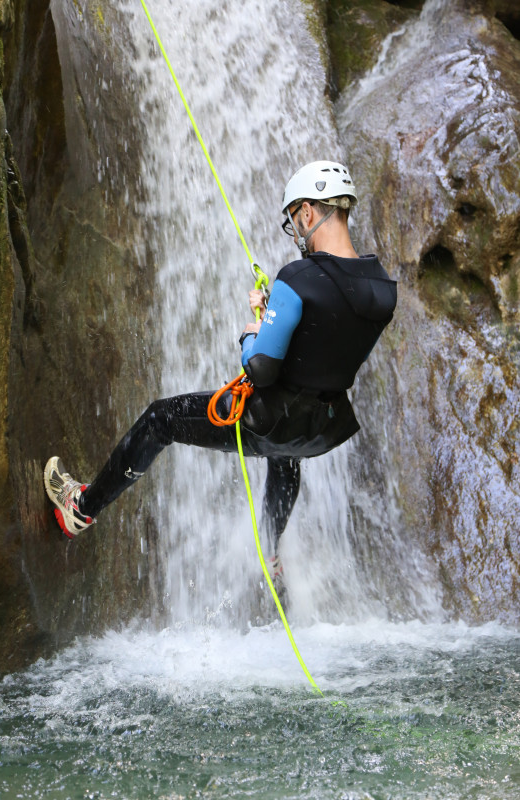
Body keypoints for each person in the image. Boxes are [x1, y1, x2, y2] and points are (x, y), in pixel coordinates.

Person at [44, 160, 397, 579]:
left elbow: (261, 367)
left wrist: (254, 331)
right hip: (319, 429)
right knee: (284, 457)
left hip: (264, 419)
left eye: (294, 221)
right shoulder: (382, 287)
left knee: (161, 418)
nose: (297, 232)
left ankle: (81, 510)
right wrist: (279, 321)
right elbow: (326, 345)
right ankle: (270, 554)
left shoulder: (297, 278)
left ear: (306, 212)